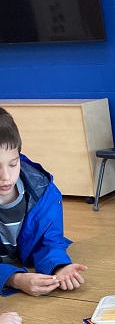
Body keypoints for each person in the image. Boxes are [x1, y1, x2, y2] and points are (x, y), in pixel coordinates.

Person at [0, 107, 87, 296]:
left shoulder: (42, 191)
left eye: (13, 164)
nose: (5, 176)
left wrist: (58, 267)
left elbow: (51, 241)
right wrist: (13, 279)